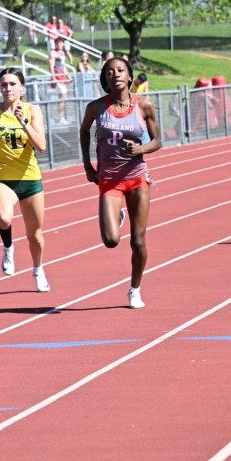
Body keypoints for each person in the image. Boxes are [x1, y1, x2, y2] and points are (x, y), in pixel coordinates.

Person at [79, 57, 161, 309]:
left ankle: (134, 289)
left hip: (137, 177)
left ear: (129, 77)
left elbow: (157, 141)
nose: (115, 74)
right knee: (111, 240)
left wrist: (140, 149)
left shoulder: (144, 106)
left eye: (120, 70)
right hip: (110, 180)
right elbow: (83, 131)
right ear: (105, 79)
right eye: (110, 72)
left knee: (138, 241)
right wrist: (88, 166)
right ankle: (117, 216)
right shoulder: (95, 108)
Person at [0, 67, 50, 292]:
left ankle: (38, 269)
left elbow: (42, 146)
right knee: (4, 218)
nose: (8, 88)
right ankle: (8, 247)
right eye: (4, 84)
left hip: (30, 178)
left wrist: (24, 123)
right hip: (3, 177)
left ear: (22, 87)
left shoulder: (32, 110)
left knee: (35, 236)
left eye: (12, 84)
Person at [49, 37, 70, 124]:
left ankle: (61, 117)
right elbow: (51, 65)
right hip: (57, 77)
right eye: (57, 43)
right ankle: (60, 117)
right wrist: (53, 77)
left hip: (62, 77)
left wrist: (68, 76)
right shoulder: (53, 53)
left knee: (63, 98)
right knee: (63, 97)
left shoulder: (62, 53)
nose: (59, 45)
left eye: (61, 43)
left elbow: (63, 66)